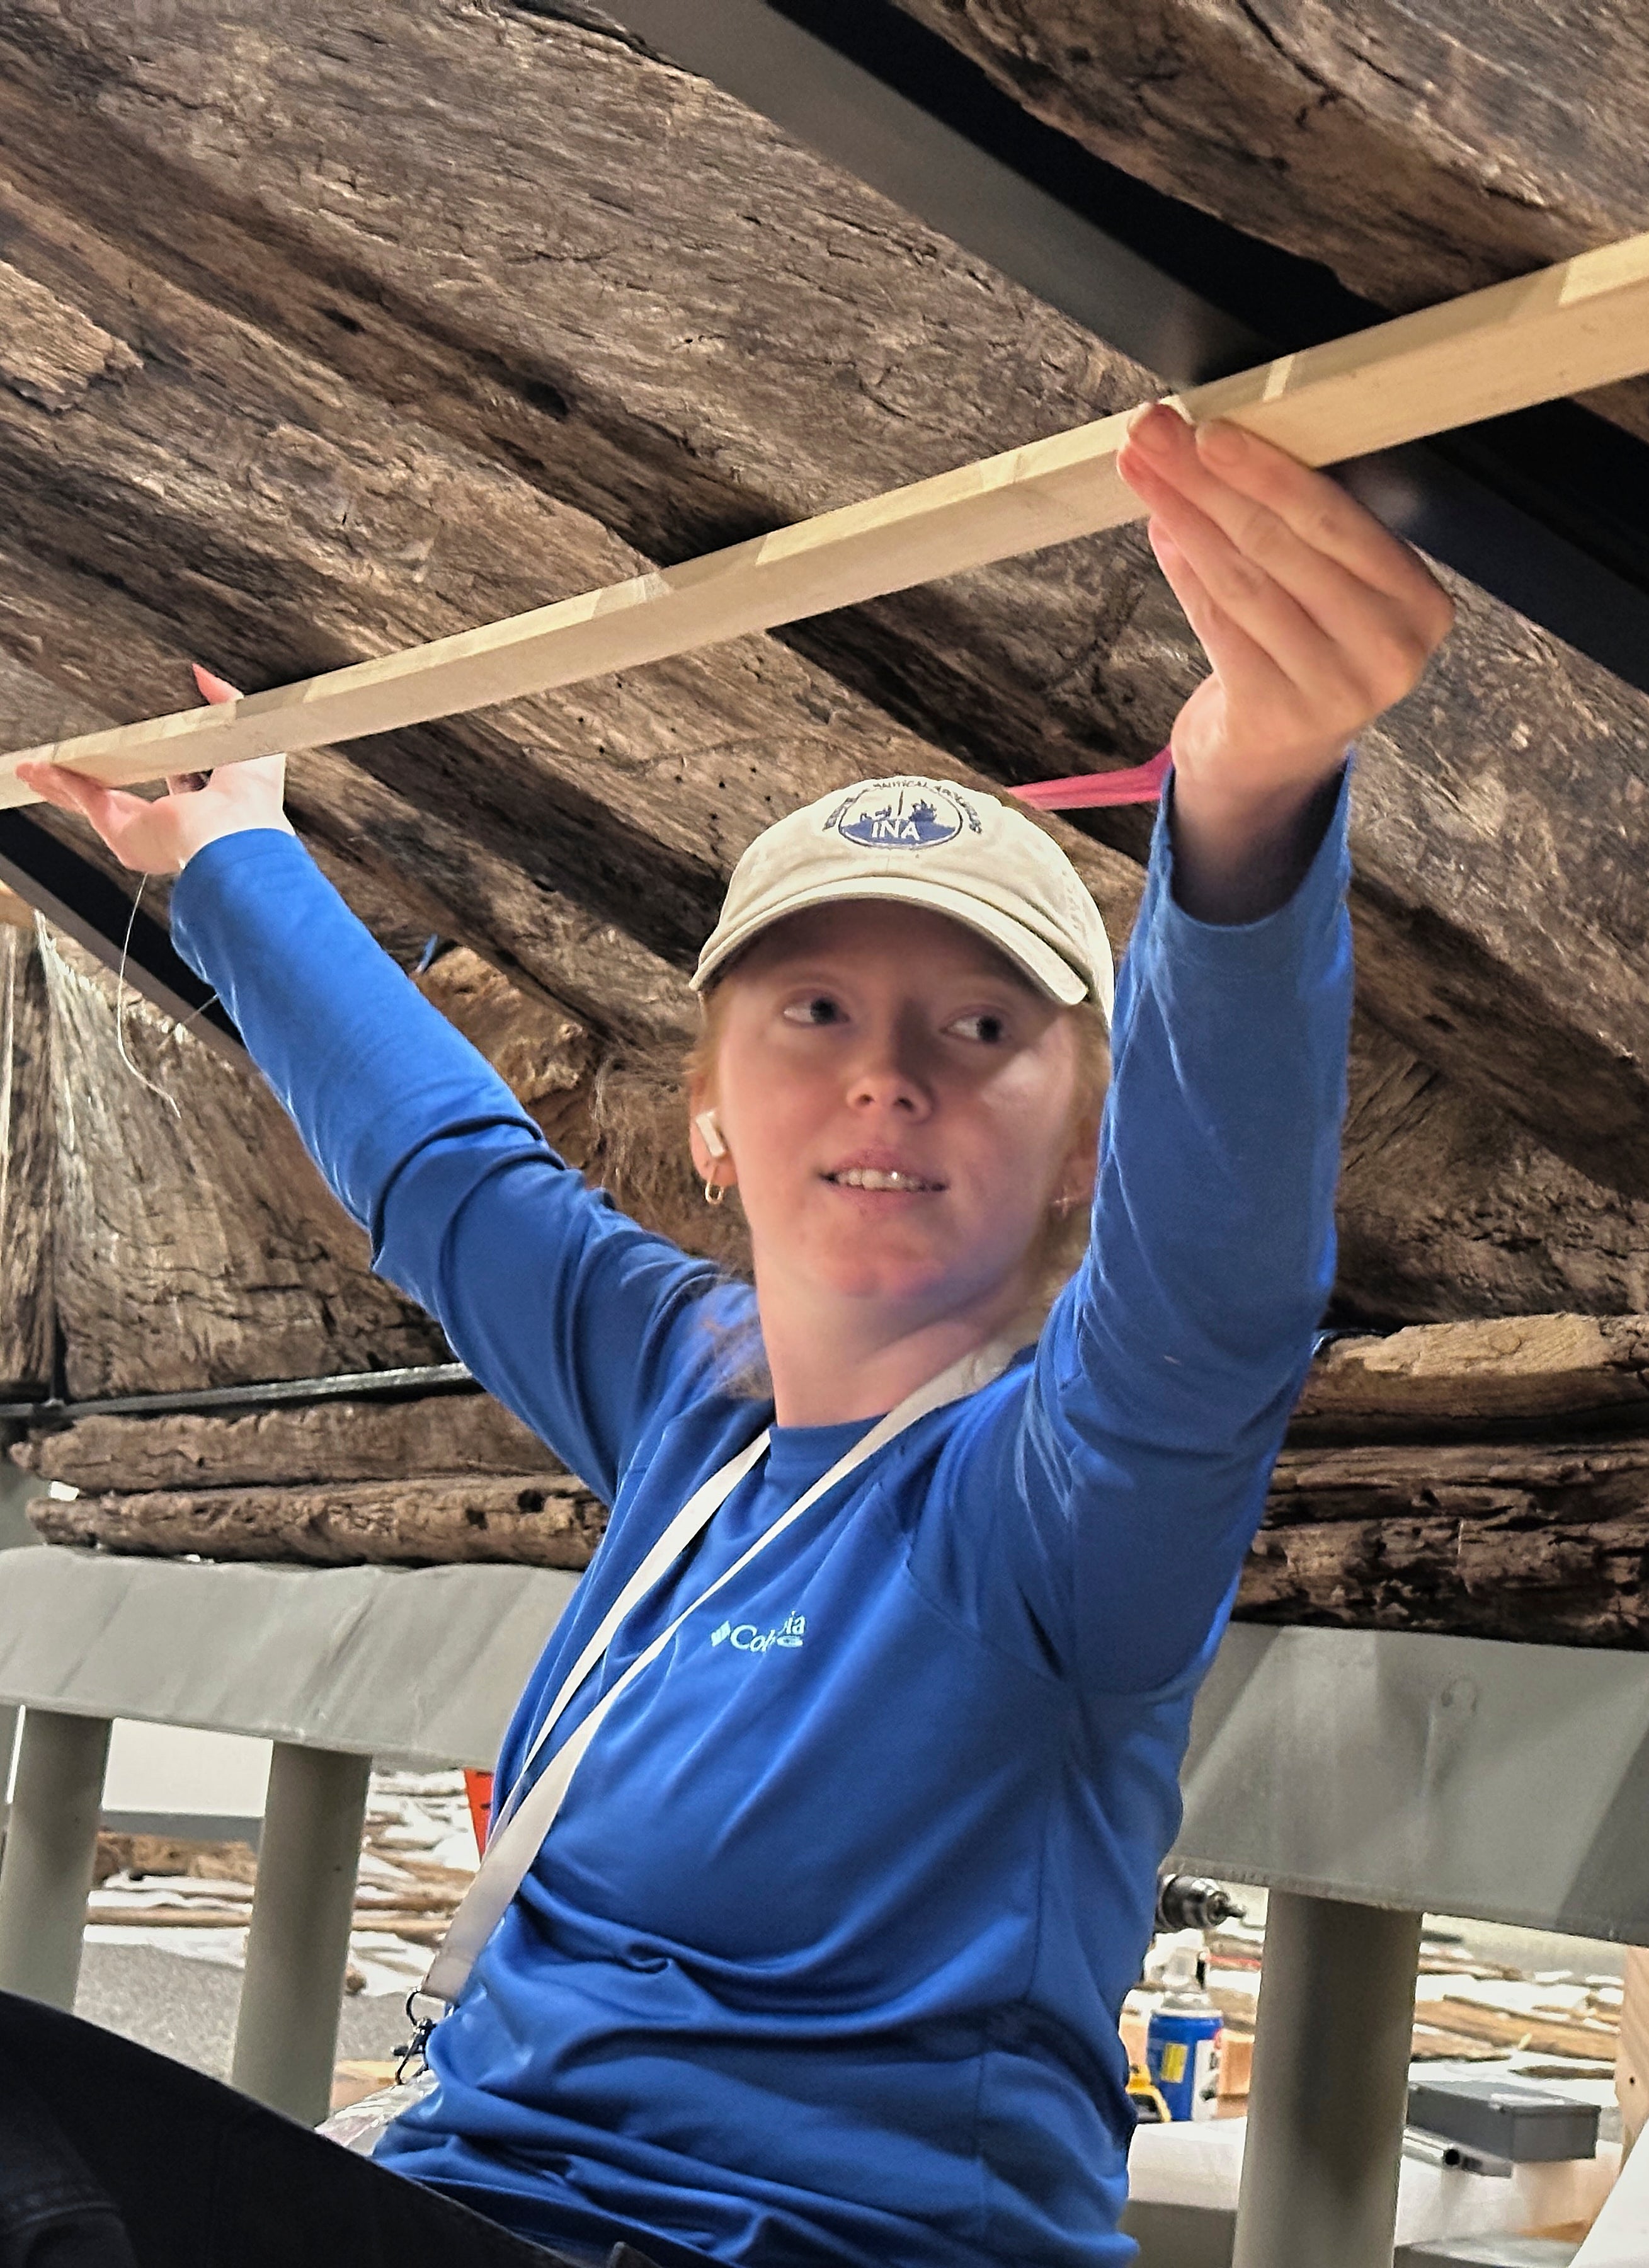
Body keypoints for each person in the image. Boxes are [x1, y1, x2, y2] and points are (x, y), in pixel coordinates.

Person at [1, 402, 1455, 2268]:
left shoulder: (1062, 1497)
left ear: (1087, 1146)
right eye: (818, 1012)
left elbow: (1220, 1290)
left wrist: (1252, 805)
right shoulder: (683, 1384)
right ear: (708, 1120)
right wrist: (231, 858)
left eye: (983, 1031)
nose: (890, 1080)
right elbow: (448, 1174)